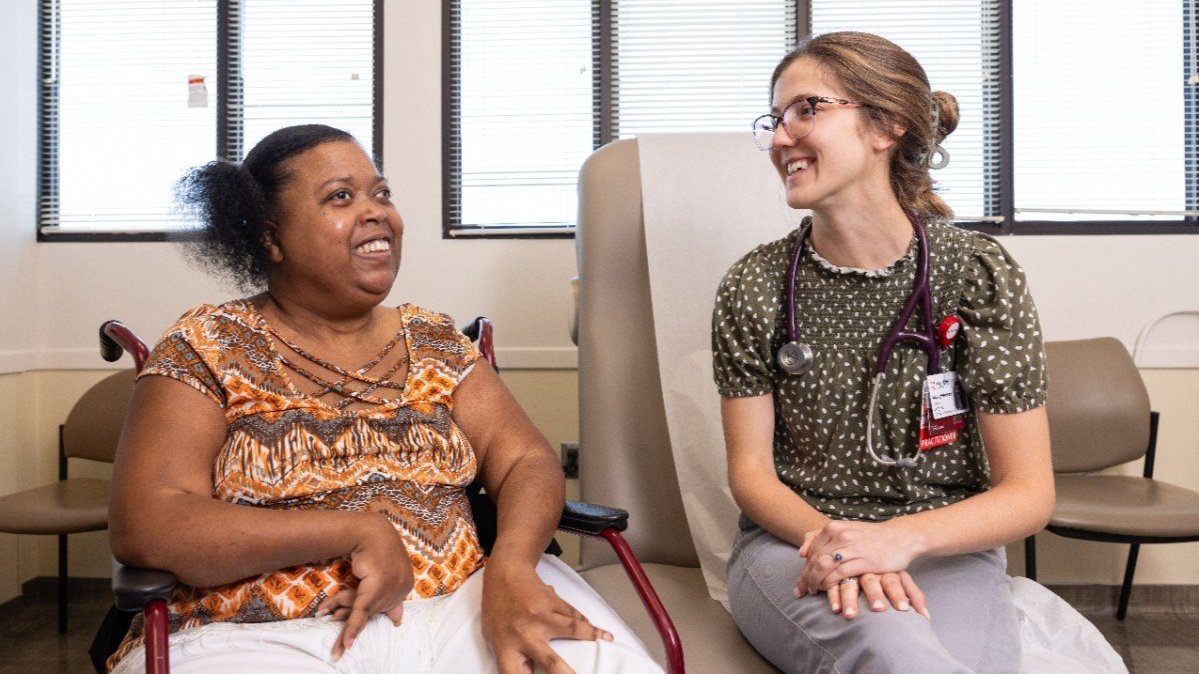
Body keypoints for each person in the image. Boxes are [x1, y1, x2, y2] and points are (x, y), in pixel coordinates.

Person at [108, 124, 663, 674]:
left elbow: (525, 460)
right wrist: (355, 529)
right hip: (260, 632)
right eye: (341, 197)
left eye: (383, 193)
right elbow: (149, 522)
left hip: (466, 605)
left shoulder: (434, 341)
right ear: (270, 237)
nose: (378, 213)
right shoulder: (208, 343)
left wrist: (512, 570)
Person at [713, 32, 1053, 673]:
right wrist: (841, 548)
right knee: (891, 649)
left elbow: (1029, 491)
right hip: (795, 543)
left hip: (944, 545)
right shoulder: (754, 286)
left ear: (886, 126)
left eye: (806, 110)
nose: (781, 138)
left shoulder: (975, 273)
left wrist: (897, 540)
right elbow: (751, 473)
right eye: (775, 119)